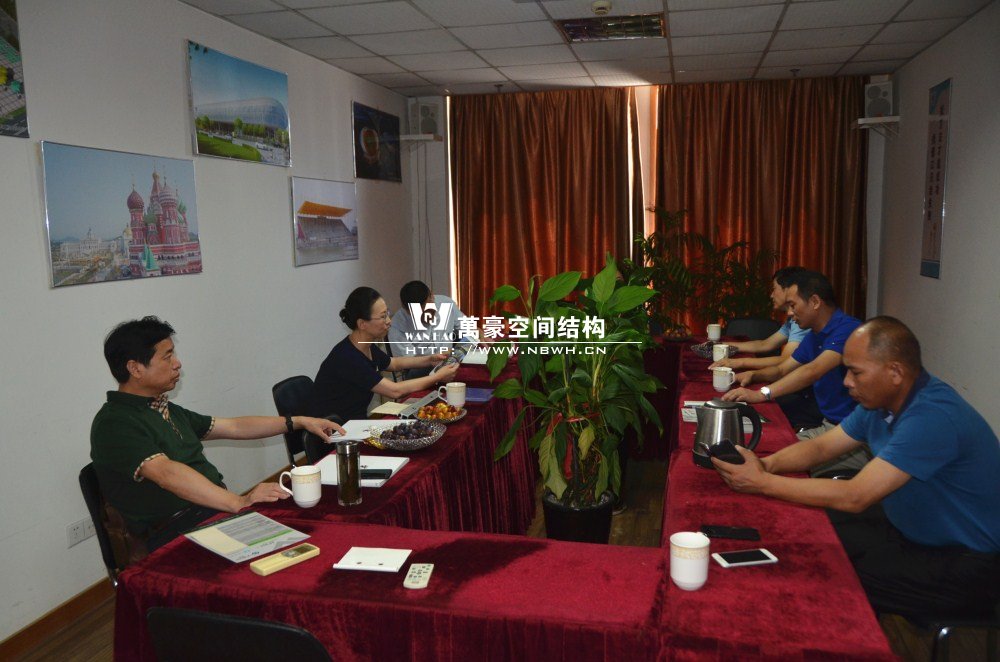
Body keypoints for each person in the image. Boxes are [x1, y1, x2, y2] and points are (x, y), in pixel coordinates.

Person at [712, 317, 1000, 619]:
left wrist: (762, 482)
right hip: (907, 529)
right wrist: (767, 464)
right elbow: (822, 447)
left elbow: (856, 496)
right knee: (811, 535)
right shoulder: (882, 401)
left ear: (895, 372)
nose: (847, 381)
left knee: (828, 572)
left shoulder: (931, 416)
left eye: (856, 372)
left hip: (967, 562)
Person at [90, 316, 344, 553]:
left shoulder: (163, 409)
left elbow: (234, 427)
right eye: (167, 357)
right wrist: (238, 502)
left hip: (208, 514)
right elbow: (167, 474)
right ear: (135, 368)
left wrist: (298, 421)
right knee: (296, 547)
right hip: (176, 533)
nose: (177, 363)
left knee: (314, 528)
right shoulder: (115, 423)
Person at [722, 270, 865, 474]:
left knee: (770, 460)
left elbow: (813, 370)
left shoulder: (848, 329)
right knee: (759, 450)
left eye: (793, 305)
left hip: (851, 434)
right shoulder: (815, 335)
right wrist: (753, 376)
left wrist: (762, 393)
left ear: (815, 302)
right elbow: (783, 368)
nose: (789, 313)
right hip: (830, 426)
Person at [309, 286, 460, 421]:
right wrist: (437, 377)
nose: (389, 321)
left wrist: (430, 359)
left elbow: (394, 363)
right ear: (362, 324)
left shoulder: (364, 345)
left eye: (387, 313)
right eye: (382, 317)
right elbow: (395, 391)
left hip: (355, 422)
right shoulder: (348, 357)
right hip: (336, 431)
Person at [710, 266, 822, 430]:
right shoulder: (801, 323)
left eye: (774, 289)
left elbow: (790, 365)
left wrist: (741, 365)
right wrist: (730, 349)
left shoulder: (809, 324)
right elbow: (769, 349)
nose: (771, 295)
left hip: (811, 403)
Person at [388, 280, 469, 378]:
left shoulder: (445, 304)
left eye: (429, 310)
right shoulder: (397, 326)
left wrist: (477, 332)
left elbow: (467, 328)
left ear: (432, 297)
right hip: (420, 370)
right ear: (407, 310)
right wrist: (433, 360)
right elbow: (407, 362)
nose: (427, 316)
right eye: (419, 314)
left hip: (449, 362)